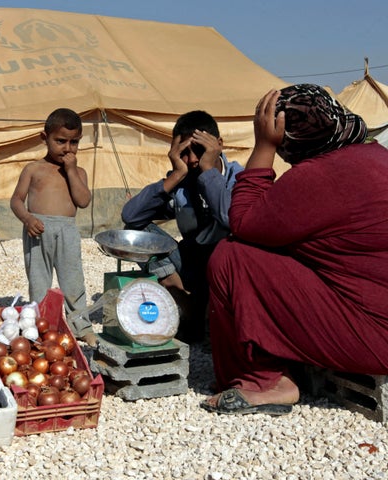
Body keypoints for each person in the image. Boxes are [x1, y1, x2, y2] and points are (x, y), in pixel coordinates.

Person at [201, 84, 388, 416]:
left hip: (376, 337)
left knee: (231, 257)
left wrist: (262, 147)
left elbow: (242, 222)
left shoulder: (320, 176)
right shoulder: (376, 156)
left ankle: (265, 382)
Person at [121, 110, 243, 343]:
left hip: (227, 271)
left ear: (219, 145)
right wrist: (176, 175)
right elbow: (132, 217)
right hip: (191, 266)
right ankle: (188, 304)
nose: (193, 160)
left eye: (199, 150)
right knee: (135, 234)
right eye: (184, 153)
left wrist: (209, 173)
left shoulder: (239, 179)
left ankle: (211, 316)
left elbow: (231, 218)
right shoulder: (182, 182)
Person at [10, 108, 96, 346]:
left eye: (74, 142)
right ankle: (39, 325)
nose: (67, 148)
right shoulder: (33, 169)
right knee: (39, 281)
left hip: (67, 231)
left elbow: (83, 201)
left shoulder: (78, 172)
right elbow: (16, 200)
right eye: (60, 141)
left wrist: (70, 171)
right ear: (44, 138)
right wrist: (27, 219)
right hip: (37, 230)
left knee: (73, 280)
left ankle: (81, 325)